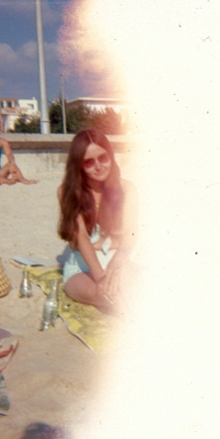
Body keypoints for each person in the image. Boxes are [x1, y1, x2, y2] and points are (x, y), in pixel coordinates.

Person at [57, 128, 137, 312]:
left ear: (111, 156)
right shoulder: (66, 192)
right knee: (109, 296)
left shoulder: (126, 189)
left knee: (141, 292)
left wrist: (115, 266)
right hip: (83, 265)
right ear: (78, 165)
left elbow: (130, 236)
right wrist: (101, 278)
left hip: (118, 259)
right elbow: (82, 239)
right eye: (89, 162)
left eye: (103, 158)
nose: (99, 166)